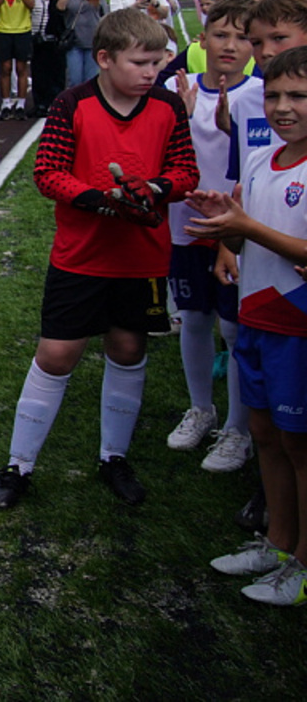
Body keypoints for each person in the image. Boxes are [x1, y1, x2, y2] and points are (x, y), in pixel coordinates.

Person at [0, 8, 198, 512]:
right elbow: (49, 173)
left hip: (142, 259)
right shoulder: (71, 104)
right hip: (80, 257)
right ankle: (19, 464)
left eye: (159, 61)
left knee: (127, 348)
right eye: (142, 62)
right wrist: (103, 200)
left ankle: (113, 457)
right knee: (57, 355)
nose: (153, 72)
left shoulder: (169, 107)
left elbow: (185, 170)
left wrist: (154, 188)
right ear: (104, 59)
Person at [190, 45, 307, 606]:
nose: (283, 108)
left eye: (298, 96)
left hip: (296, 325)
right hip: (256, 315)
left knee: (299, 444)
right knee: (266, 435)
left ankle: (303, 563)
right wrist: (224, 223)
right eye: (276, 96)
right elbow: (240, 239)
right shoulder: (264, 158)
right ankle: (278, 543)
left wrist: (245, 228)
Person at [163, 0, 257, 471]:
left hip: (237, 231)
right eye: (221, 34)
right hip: (186, 224)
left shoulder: (262, 95)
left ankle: (238, 429)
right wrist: (177, 114)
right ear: (202, 38)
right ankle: (202, 408)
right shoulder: (177, 87)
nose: (231, 45)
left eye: (243, 37)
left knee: (235, 327)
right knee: (195, 319)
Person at [55, 0, 107, 88]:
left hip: (92, 42)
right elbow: (60, 7)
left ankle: (88, 105)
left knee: (91, 80)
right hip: (74, 42)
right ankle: (74, 105)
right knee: (75, 79)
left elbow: (105, 14)